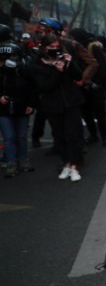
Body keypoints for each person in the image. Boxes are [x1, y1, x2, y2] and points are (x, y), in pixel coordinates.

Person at [23, 33, 86, 181]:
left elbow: (78, 76)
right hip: (52, 105)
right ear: (44, 48)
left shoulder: (64, 58)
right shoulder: (37, 65)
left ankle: (74, 166)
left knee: (74, 135)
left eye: (57, 47)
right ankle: (66, 163)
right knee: (60, 136)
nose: (54, 49)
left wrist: (70, 65)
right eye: (51, 47)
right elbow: (45, 86)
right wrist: (57, 72)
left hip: (71, 102)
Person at [0, 29, 36, 177]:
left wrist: (31, 104)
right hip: (3, 109)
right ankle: (11, 164)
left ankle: (24, 161)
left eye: (12, 56)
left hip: (22, 107)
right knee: (9, 137)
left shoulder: (25, 70)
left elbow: (33, 88)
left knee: (21, 136)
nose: (9, 59)